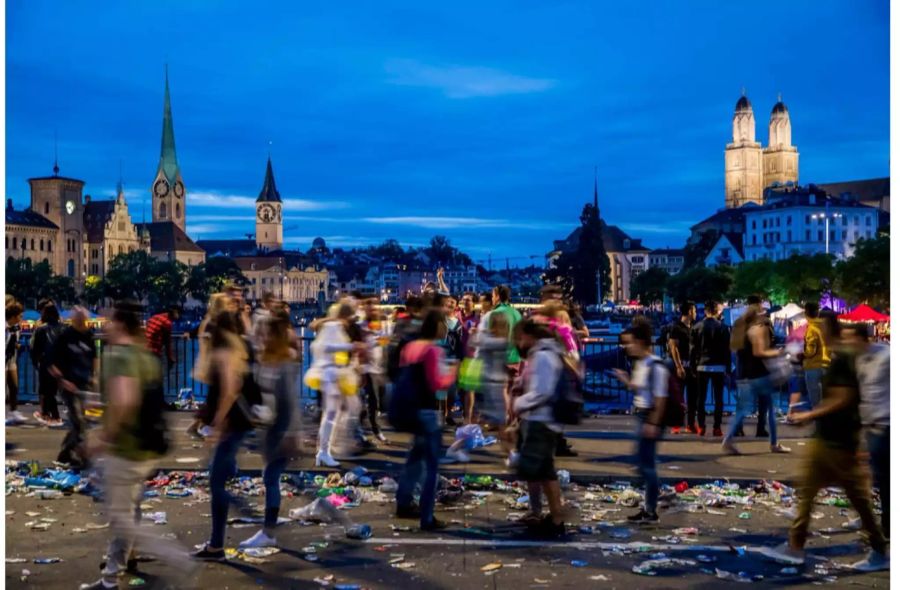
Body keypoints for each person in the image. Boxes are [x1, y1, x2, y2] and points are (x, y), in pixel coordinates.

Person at [78, 301, 194, 590]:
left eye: (109, 319)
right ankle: (111, 576)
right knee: (127, 513)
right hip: (146, 446)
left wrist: (103, 437)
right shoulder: (144, 355)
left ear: (119, 324)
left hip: (126, 448)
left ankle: (177, 559)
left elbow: (125, 400)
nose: (104, 323)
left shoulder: (120, 357)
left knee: (122, 518)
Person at [764, 318, 889, 572]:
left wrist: (809, 415)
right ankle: (796, 545)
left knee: (856, 497)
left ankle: (877, 548)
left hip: (838, 440)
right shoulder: (843, 357)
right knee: (810, 491)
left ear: (824, 331)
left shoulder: (844, 358)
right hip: (832, 437)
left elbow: (842, 398)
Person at [193, 308, 259, 561]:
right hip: (239, 422)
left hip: (231, 424)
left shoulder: (225, 353)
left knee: (216, 483)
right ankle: (216, 542)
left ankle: (217, 545)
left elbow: (230, 391)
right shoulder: (241, 348)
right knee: (220, 473)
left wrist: (218, 425)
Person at [238, 308, 301, 549]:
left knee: (271, 477)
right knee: (271, 477)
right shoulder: (269, 361)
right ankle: (269, 528)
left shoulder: (282, 364)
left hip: (281, 431)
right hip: (272, 429)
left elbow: (290, 402)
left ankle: (268, 531)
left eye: (263, 332)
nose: (259, 336)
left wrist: (292, 434)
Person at [395, 308, 458, 531]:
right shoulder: (433, 350)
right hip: (427, 412)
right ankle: (427, 516)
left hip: (409, 410)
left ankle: (403, 501)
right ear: (438, 326)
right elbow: (437, 384)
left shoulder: (411, 347)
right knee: (431, 466)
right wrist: (451, 373)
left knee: (414, 458)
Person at [512, 318, 567, 538]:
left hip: (540, 420)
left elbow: (543, 391)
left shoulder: (543, 356)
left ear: (528, 335)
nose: (518, 342)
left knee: (543, 471)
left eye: (519, 337)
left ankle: (557, 518)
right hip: (541, 419)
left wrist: (519, 403)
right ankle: (555, 516)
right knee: (545, 472)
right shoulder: (544, 354)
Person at [613, 318, 668, 523]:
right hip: (642, 414)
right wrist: (626, 380)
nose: (627, 348)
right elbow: (639, 388)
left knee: (646, 464)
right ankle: (651, 504)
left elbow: (661, 398)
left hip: (649, 415)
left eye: (630, 343)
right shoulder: (641, 364)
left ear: (641, 342)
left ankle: (652, 507)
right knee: (643, 462)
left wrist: (653, 423)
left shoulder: (655, 365)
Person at [722, 306, 791, 454]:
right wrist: (778, 351)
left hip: (744, 375)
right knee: (771, 409)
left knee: (742, 410)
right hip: (760, 374)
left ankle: (728, 439)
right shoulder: (758, 329)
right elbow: (759, 352)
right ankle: (774, 443)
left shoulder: (741, 331)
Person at [846, 323, 890, 539]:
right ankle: (876, 520)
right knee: (873, 475)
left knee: (884, 479)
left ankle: (887, 529)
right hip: (870, 424)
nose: (847, 344)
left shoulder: (887, 356)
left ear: (863, 339)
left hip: (885, 424)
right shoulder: (859, 359)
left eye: (850, 339)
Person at [307, 302, 362, 467]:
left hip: (333, 374)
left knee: (332, 414)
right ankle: (324, 451)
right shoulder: (333, 326)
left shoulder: (334, 326)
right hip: (330, 374)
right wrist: (349, 346)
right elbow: (323, 347)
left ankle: (324, 451)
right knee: (331, 414)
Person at [48, 307, 98, 468]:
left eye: (84, 320)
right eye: (79, 320)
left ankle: (68, 454)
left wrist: (95, 377)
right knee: (78, 420)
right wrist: (62, 380)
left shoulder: (89, 335)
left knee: (83, 420)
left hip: (84, 383)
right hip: (68, 384)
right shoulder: (64, 336)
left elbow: (95, 356)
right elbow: (49, 361)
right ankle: (78, 456)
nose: (82, 323)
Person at [690, 300, 731, 437]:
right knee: (719, 398)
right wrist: (728, 367)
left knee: (701, 398)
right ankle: (717, 427)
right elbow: (727, 349)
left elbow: (693, 350)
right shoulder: (723, 328)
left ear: (705, 311)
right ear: (717, 311)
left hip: (702, 365)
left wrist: (692, 366)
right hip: (718, 365)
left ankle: (701, 426)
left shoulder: (696, 327)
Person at [30, 303, 66, 426]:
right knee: (52, 391)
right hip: (61, 363)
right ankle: (47, 414)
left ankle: (55, 416)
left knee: (47, 391)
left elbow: (35, 350)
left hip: (46, 363)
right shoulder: (64, 328)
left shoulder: (41, 329)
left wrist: (36, 362)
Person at [666, 302, 696, 435]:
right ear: (689, 311)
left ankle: (690, 424)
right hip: (680, 365)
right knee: (678, 396)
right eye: (694, 311)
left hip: (692, 365)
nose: (695, 313)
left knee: (692, 395)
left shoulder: (693, 327)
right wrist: (678, 366)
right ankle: (676, 424)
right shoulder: (676, 327)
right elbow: (673, 347)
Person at [802, 302, 829, 407]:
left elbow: (810, 351)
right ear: (818, 313)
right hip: (827, 365)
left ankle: (818, 421)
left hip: (813, 366)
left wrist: (801, 354)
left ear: (806, 313)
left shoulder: (811, 328)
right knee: (825, 400)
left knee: (815, 401)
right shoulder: (825, 326)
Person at [5, 300, 25, 425]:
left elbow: (14, 341)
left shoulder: (15, 327)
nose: (21, 317)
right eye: (20, 315)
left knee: (14, 386)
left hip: (10, 358)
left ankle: (13, 412)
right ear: (13, 316)